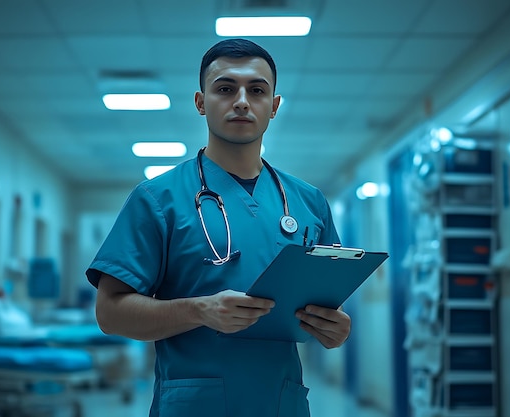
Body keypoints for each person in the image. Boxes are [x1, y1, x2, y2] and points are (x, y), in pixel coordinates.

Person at [86, 38, 351, 417]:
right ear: (200, 102)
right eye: (225, 88)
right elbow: (110, 313)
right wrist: (200, 311)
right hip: (194, 406)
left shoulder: (309, 202)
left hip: (282, 404)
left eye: (257, 90)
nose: (242, 100)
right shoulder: (157, 199)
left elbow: (327, 309)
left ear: (274, 106)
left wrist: (336, 329)